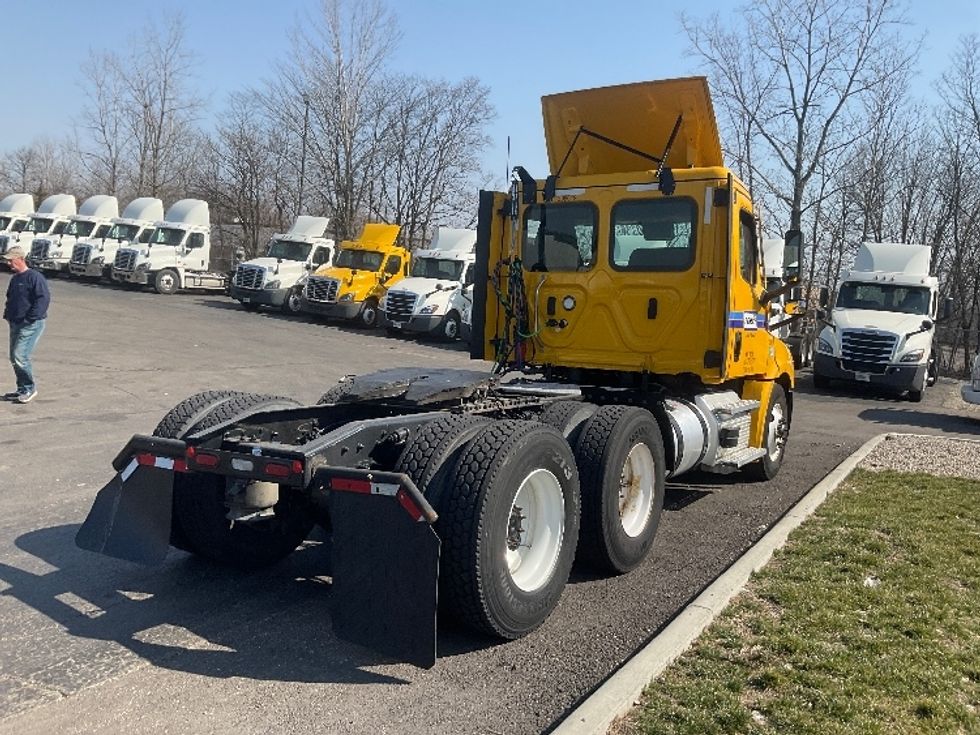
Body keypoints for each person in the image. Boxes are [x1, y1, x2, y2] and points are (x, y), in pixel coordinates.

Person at [2, 246, 50, 403]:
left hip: (30, 324)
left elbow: (43, 299)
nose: (9, 263)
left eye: (11, 260)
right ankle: (22, 389)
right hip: (15, 322)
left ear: (20, 259)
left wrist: (31, 318)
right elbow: (10, 297)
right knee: (14, 357)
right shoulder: (16, 278)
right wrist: (8, 315)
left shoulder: (34, 277)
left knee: (20, 356)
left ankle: (29, 388)